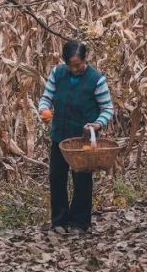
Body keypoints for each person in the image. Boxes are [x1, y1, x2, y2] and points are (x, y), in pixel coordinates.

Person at [37, 40, 114, 234]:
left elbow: (107, 108)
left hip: (84, 139)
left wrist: (96, 124)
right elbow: (47, 96)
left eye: (78, 65)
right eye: (71, 65)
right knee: (57, 177)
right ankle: (59, 221)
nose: (75, 69)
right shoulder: (57, 73)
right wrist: (44, 109)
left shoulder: (96, 79)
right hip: (60, 136)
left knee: (82, 180)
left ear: (85, 59)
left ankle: (80, 223)